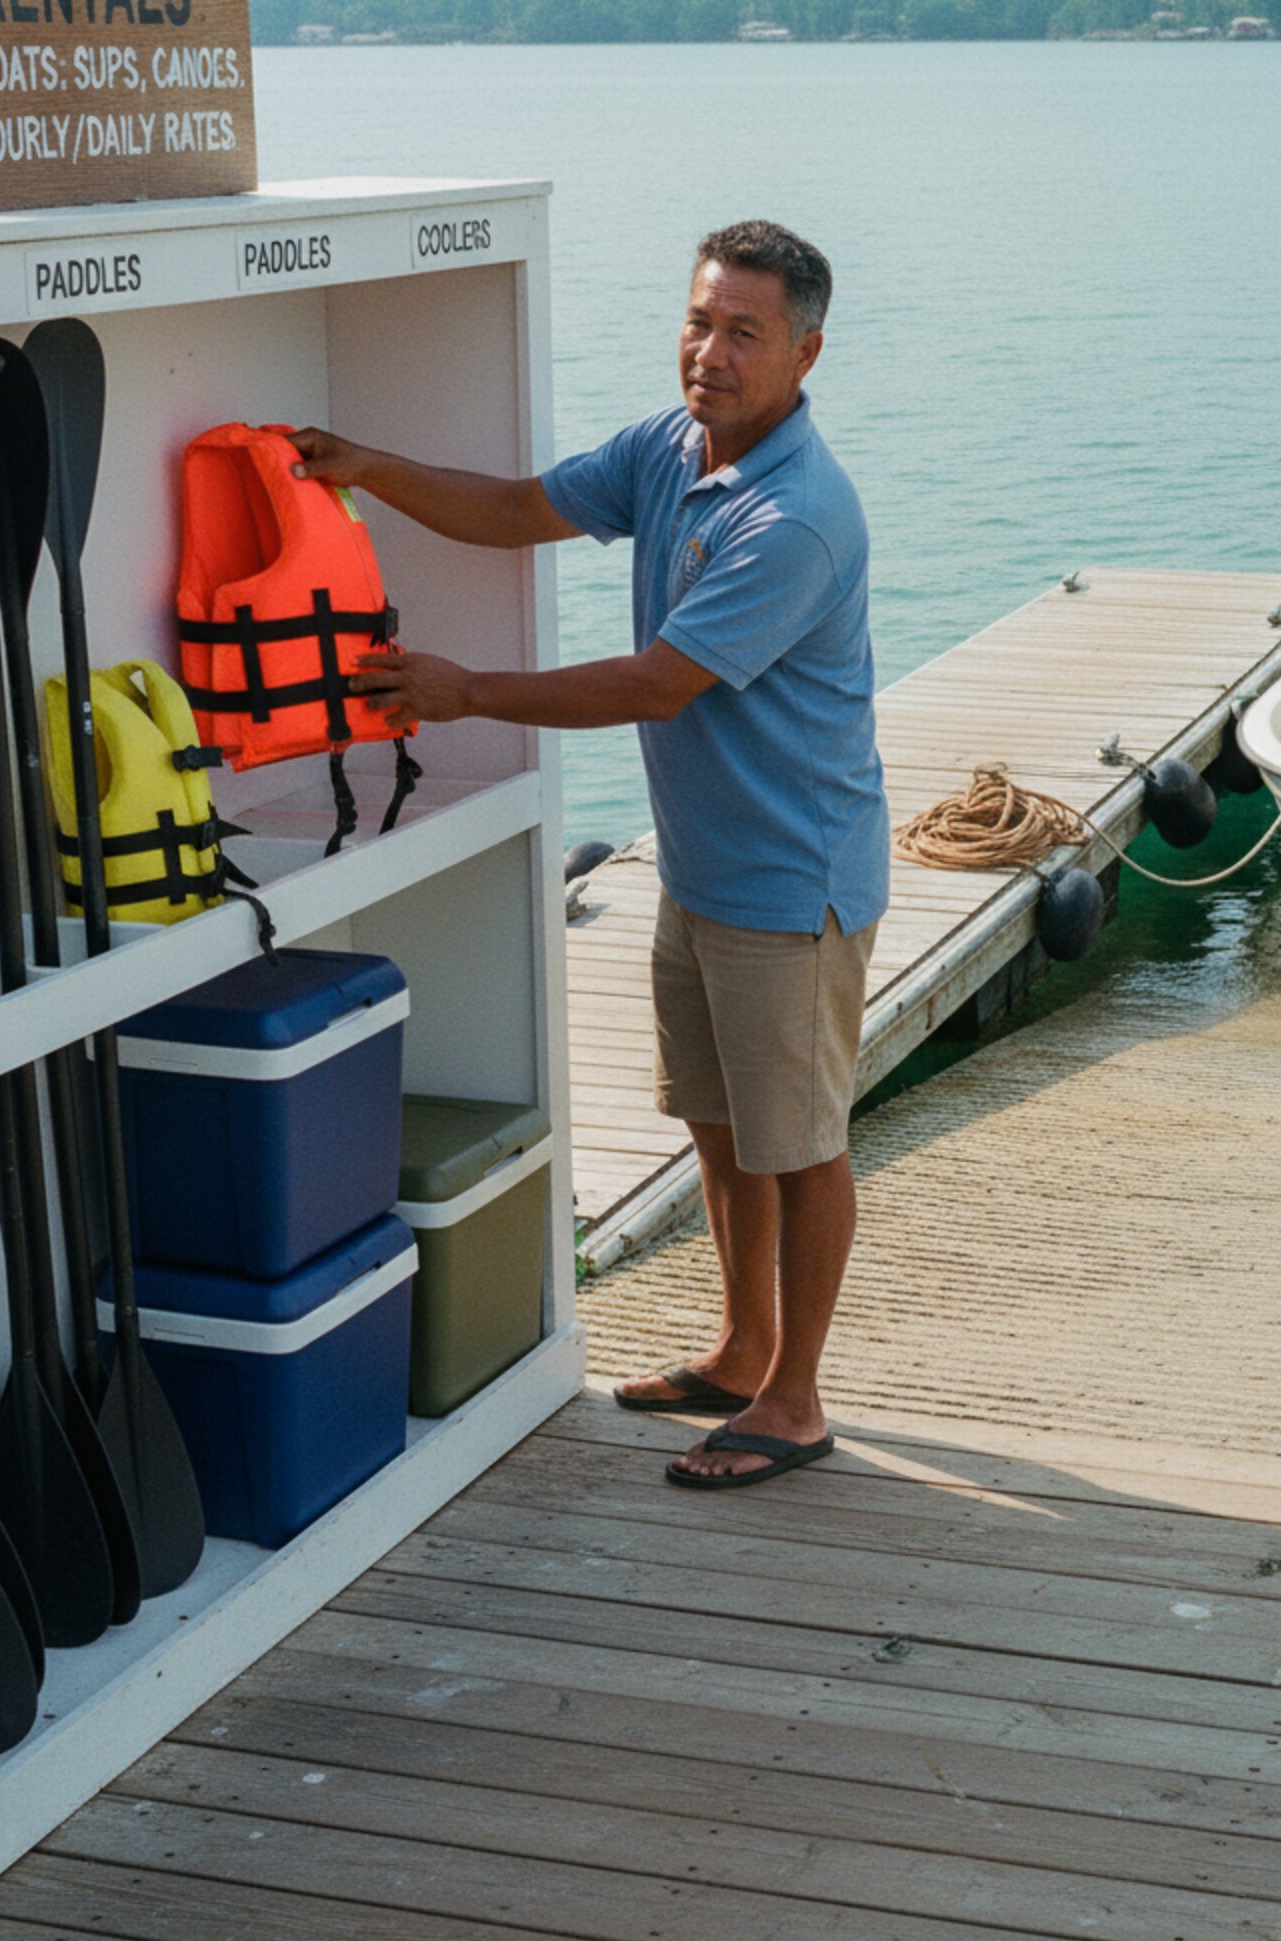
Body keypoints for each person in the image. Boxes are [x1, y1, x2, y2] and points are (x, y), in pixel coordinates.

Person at [291, 219, 887, 1491]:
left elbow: (657, 683)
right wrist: (366, 466)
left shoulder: (794, 517)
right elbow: (519, 509)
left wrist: (463, 691)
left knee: (800, 1144)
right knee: (719, 1127)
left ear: (804, 352)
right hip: (702, 867)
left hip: (795, 881)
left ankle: (794, 1398)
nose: (708, 352)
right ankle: (741, 1349)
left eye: (742, 332)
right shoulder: (670, 448)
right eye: (698, 320)